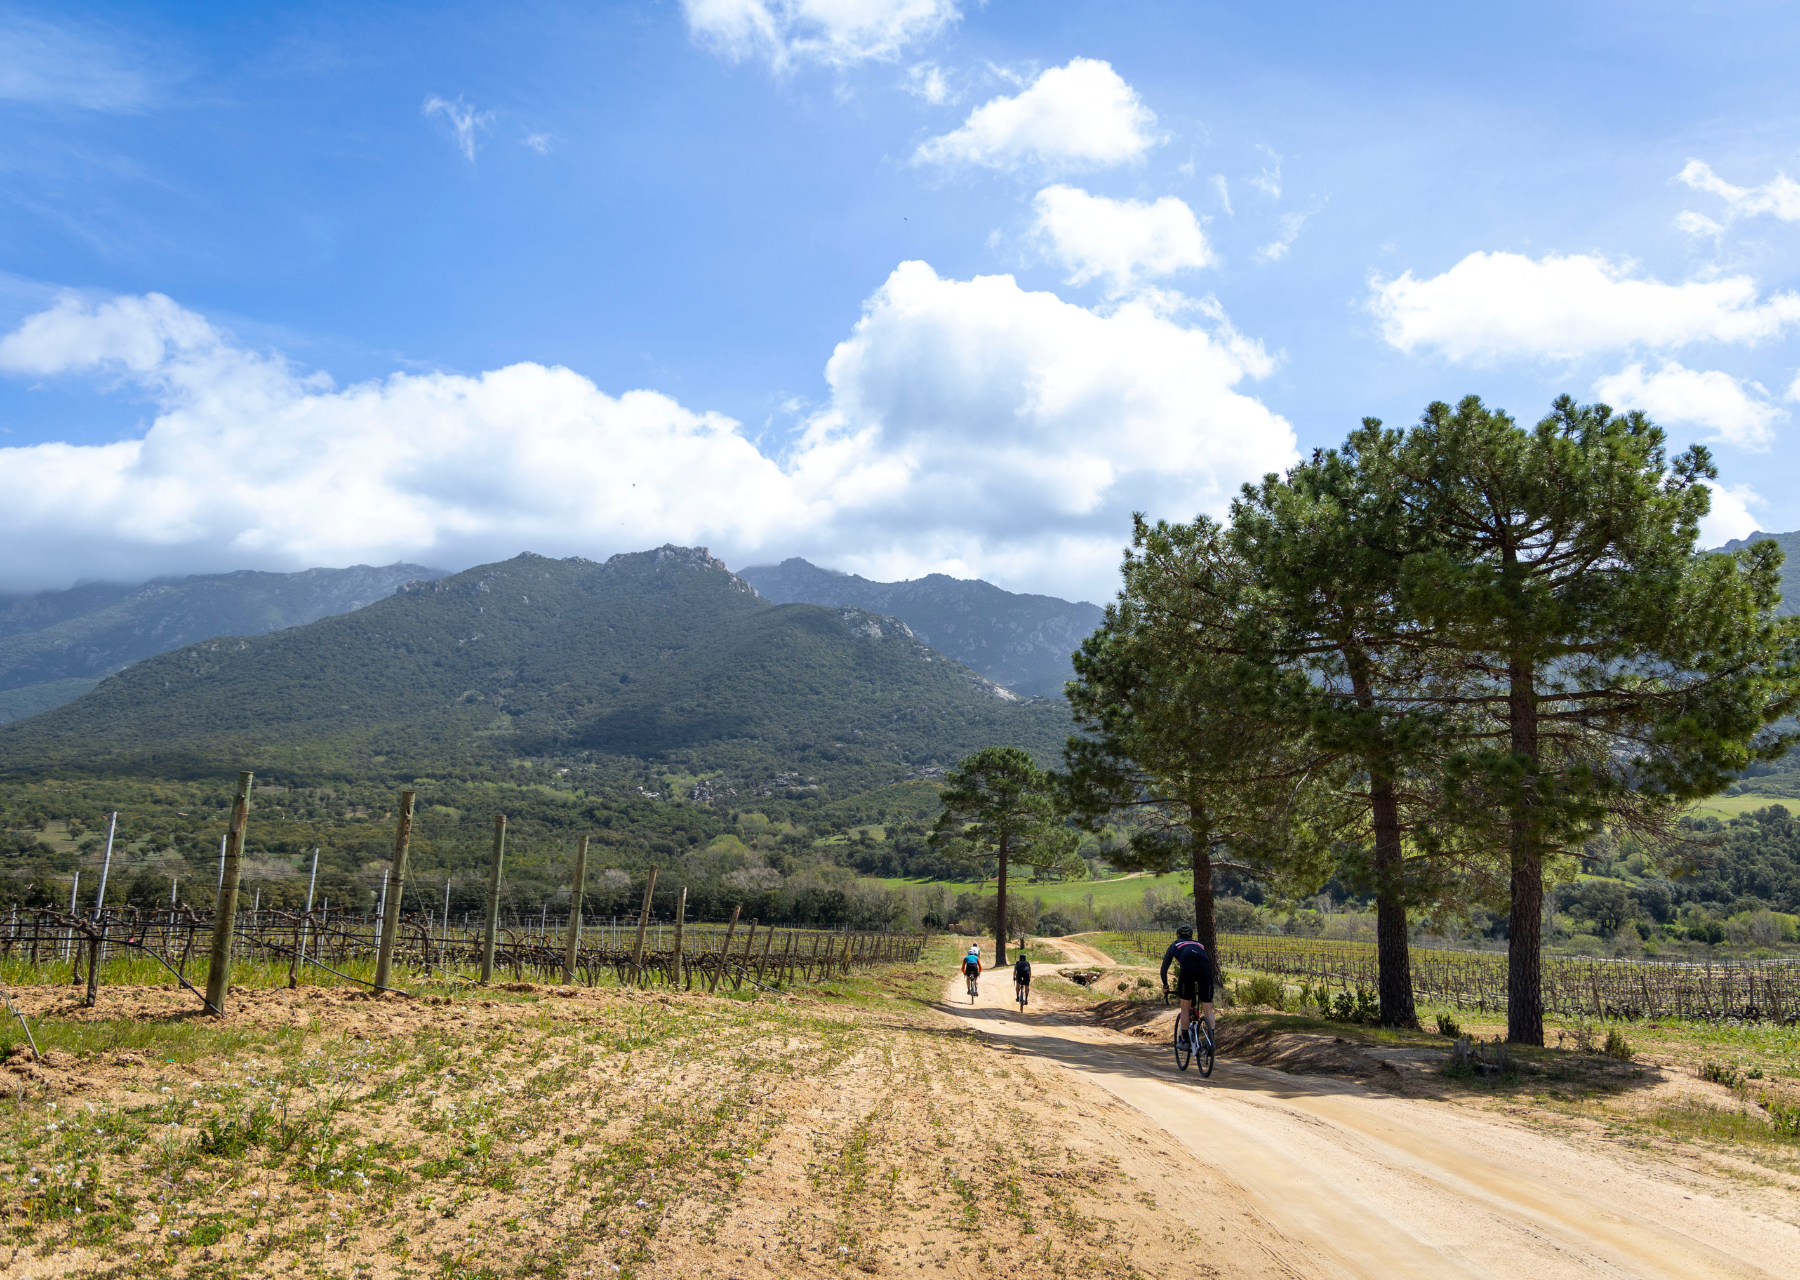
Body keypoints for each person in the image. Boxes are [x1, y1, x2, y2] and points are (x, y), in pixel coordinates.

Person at [1159, 924, 1215, 1046]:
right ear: (1191, 936)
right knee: (1208, 1008)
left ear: (1178, 936)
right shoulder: (1200, 945)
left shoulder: (1175, 945)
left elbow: (1164, 969)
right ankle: (1211, 1041)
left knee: (1185, 1007)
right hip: (1205, 969)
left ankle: (1184, 1040)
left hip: (1188, 967)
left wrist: (1166, 986)